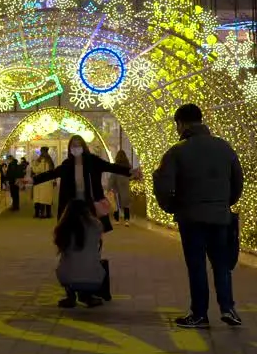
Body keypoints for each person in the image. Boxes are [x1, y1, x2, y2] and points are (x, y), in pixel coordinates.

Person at [152, 104, 244, 329]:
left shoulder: (177, 151)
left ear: (181, 124)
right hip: (220, 217)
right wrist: (223, 203)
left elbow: (164, 185)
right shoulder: (224, 147)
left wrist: (172, 206)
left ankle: (200, 314)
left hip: (190, 218)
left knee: (197, 266)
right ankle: (228, 308)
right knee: (221, 264)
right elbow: (238, 182)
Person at [23, 135, 140, 224]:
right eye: (73, 145)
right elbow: (51, 174)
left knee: (93, 231)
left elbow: (110, 166)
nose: (76, 148)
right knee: (72, 232)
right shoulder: (67, 164)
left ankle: (93, 253)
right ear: (70, 148)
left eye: (78, 145)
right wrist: (33, 180)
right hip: (72, 205)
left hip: (91, 202)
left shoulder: (93, 161)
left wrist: (129, 171)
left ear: (83, 147)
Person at [53, 199, 106, 308]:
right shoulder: (96, 225)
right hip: (94, 279)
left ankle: (71, 296)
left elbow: (61, 249)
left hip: (68, 277)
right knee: (90, 262)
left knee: (66, 264)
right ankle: (88, 296)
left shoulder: (64, 228)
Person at [108, 150, 133, 226]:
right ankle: (127, 220)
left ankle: (117, 220)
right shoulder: (128, 166)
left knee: (116, 204)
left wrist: (109, 187)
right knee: (126, 204)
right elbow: (131, 176)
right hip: (125, 186)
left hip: (116, 186)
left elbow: (112, 177)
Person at [30, 147, 56, 219]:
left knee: (39, 198)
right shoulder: (50, 160)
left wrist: (33, 164)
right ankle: (47, 213)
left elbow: (37, 170)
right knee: (47, 198)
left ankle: (38, 213)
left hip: (40, 181)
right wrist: (54, 180)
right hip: (48, 181)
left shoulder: (40, 160)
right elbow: (53, 171)